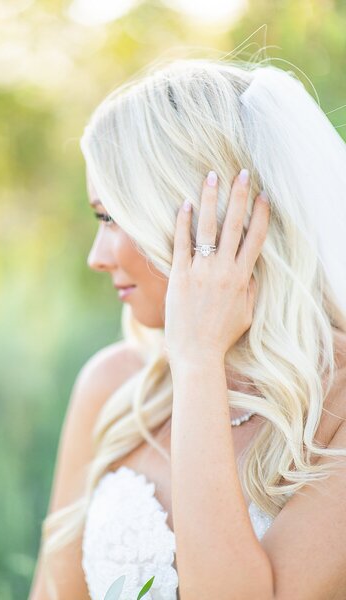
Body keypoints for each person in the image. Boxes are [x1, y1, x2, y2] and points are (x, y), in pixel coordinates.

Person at [29, 57, 346, 600]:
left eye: (110, 217)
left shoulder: (336, 408)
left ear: (207, 217)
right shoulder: (112, 386)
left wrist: (199, 361)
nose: (96, 256)